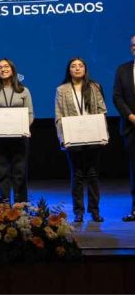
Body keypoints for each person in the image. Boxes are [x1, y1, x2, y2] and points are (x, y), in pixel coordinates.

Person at [55, 57, 106, 223]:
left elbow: (101, 110)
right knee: (76, 175)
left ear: (85, 69)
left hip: (93, 137)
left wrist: (104, 134)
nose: (77, 68)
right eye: (73, 66)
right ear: (69, 70)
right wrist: (64, 138)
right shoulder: (61, 90)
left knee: (92, 175)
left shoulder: (94, 86)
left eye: (80, 66)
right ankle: (78, 211)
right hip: (73, 138)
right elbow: (59, 116)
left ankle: (94, 211)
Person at [0, 58, 34, 205]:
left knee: (20, 174)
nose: (3, 69)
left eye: (6, 66)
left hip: (19, 139)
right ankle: (3, 207)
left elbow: (30, 114)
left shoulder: (24, 91)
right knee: (1, 174)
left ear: (12, 69)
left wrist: (25, 127)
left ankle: (21, 206)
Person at [113, 35, 135, 222]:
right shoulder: (123, 70)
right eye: (133, 45)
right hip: (131, 127)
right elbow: (117, 97)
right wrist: (131, 116)